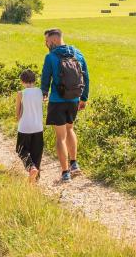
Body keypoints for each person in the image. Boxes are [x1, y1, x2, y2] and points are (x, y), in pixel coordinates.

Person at [40, 28, 89, 182]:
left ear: (53, 41)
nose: (46, 44)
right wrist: (84, 98)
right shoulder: (78, 53)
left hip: (57, 100)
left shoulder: (50, 57)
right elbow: (86, 77)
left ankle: (65, 172)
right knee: (70, 129)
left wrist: (44, 93)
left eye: (46, 41)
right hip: (74, 99)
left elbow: (45, 78)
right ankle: (74, 164)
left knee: (60, 137)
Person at [15, 68, 44, 183]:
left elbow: (18, 114)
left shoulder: (21, 94)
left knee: (21, 150)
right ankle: (35, 180)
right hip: (38, 127)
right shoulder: (40, 92)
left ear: (22, 81)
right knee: (37, 153)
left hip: (25, 127)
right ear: (34, 80)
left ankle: (31, 168)